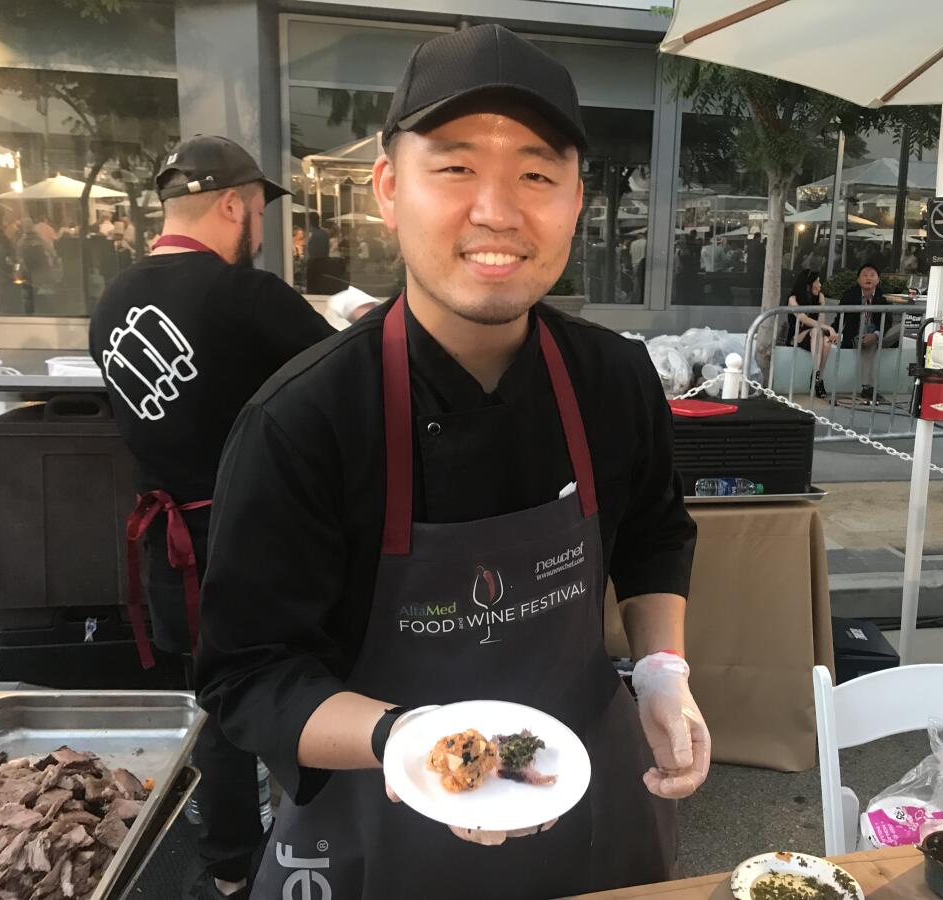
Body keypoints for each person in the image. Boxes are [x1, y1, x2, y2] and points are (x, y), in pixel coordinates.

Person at [196, 25, 708, 900]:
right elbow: (248, 675)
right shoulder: (304, 418)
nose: (498, 211)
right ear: (389, 190)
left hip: (585, 800)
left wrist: (662, 671)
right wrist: (409, 740)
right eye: (456, 166)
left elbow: (654, 535)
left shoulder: (614, 378)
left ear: (578, 199)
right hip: (374, 823)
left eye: (537, 174)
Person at [88, 135, 342, 900]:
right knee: (293, 690)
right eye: (259, 210)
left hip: (172, 551)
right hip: (254, 540)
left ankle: (230, 866)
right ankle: (318, 847)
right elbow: (343, 378)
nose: (259, 227)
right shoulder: (245, 294)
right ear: (233, 203)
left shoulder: (111, 302)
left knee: (216, 705)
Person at [838, 263, 900, 403]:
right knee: (869, 344)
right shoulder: (850, 295)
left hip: (878, 335)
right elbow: (840, 318)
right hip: (856, 336)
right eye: (865, 275)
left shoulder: (882, 296)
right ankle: (868, 387)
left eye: (872, 275)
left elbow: (888, 321)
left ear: (878, 280)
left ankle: (875, 339)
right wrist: (834, 333)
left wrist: (876, 334)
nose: (868, 278)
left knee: (901, 327)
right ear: (858, 279)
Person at [780, 268, 838, 399]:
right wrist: (829, 328)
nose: (820, 285)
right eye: (817, 281)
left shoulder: (819, 297)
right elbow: (803, 319)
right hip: (796, 336)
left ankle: (818, 378)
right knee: (819, 331)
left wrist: (822, 305)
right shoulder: (793, 299)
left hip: (815, 335)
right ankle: (817, 378)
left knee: (826, 341)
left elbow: (820, 321)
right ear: (808, 284)